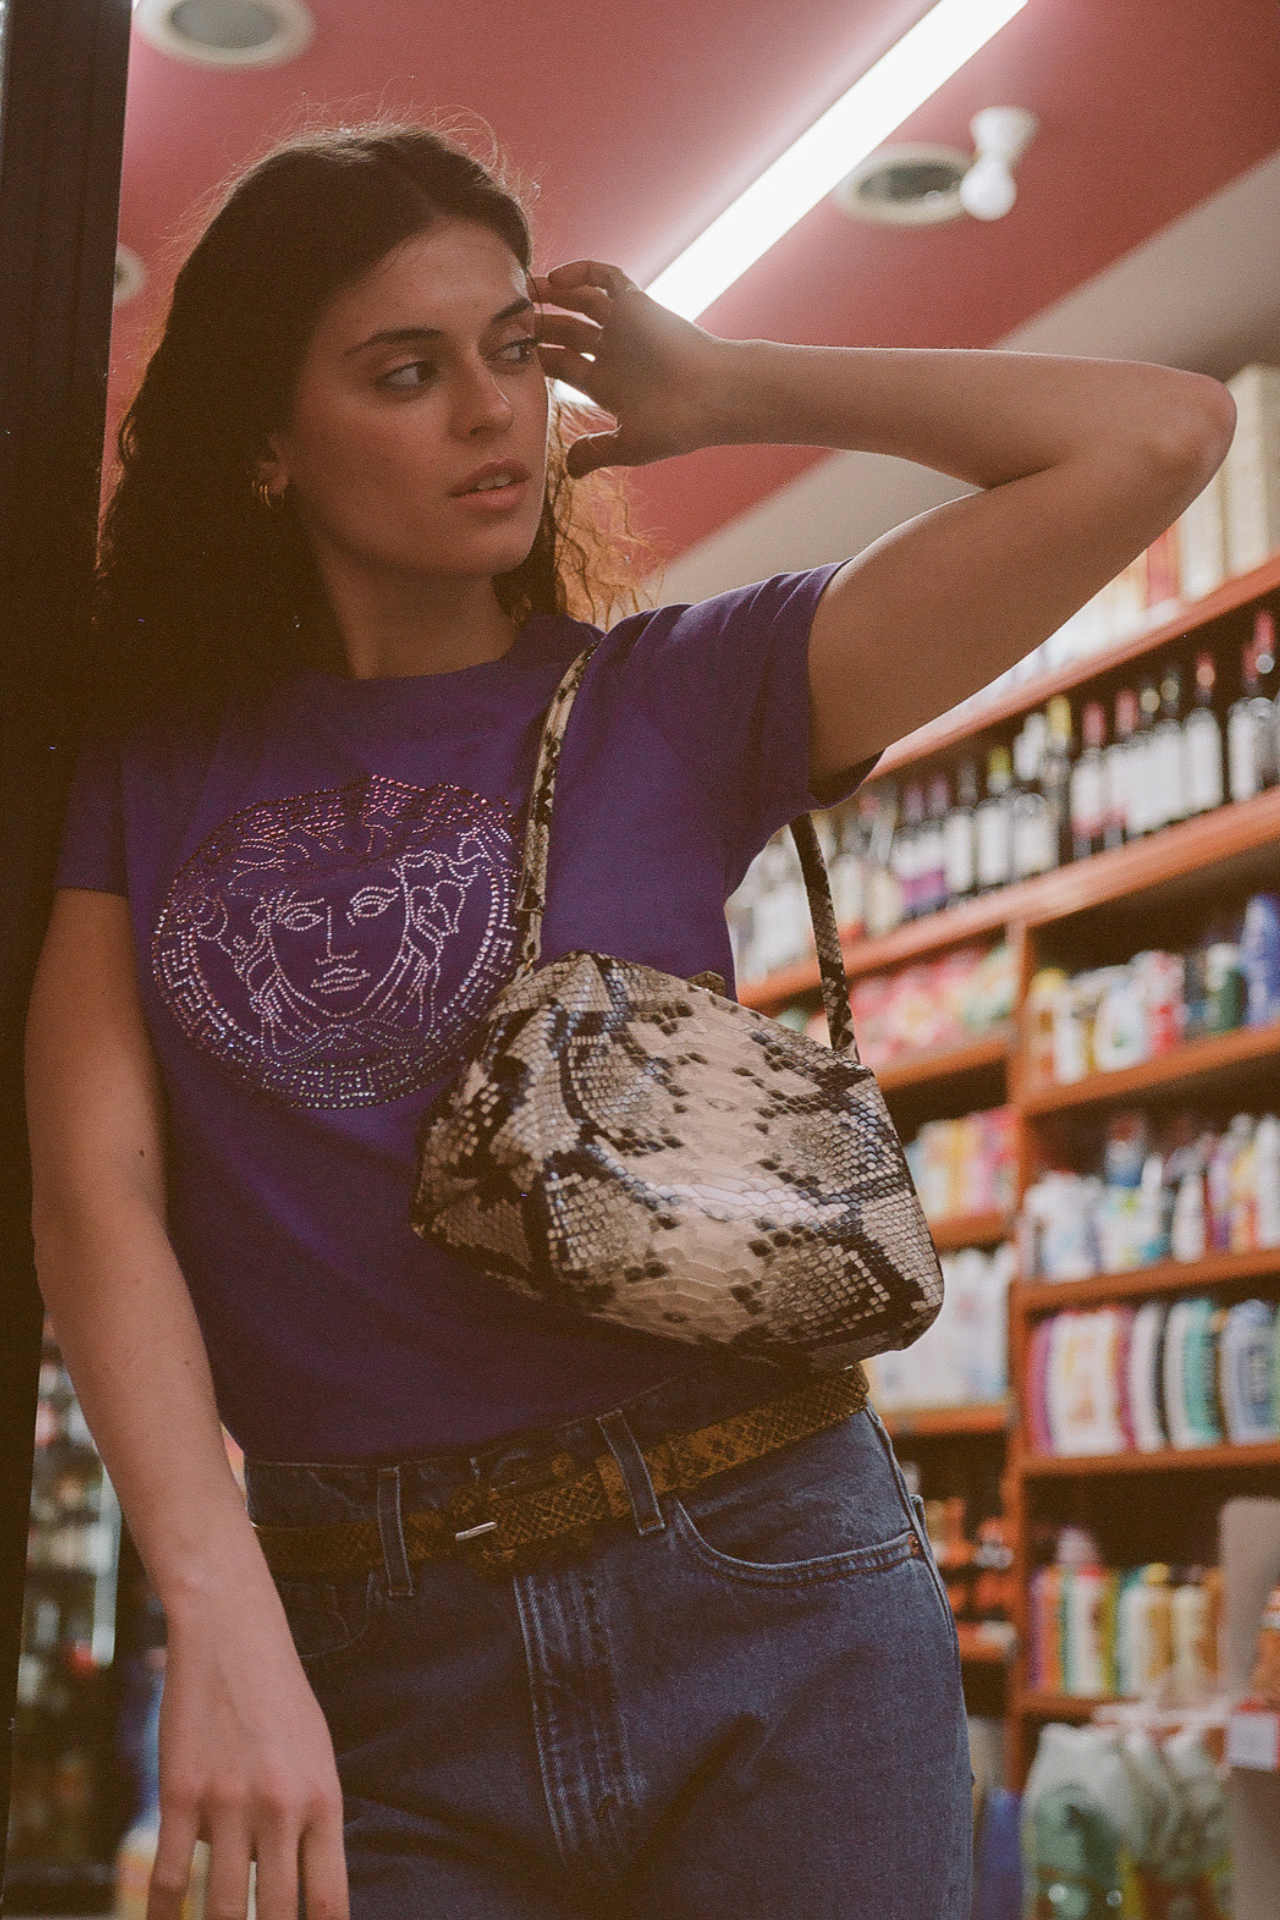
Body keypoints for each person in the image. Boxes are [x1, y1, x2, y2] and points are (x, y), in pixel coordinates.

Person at [24, 123, 1232, 1920]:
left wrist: (725, 380)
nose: (489, 414)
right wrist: (214, 1608)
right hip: (363, 1637)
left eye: (510, 349)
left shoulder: (679, 693)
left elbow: (1158, 434)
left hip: (765, 1580)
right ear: (267, 444)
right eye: (404, 371)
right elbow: (93, 1188)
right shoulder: (145, 764)